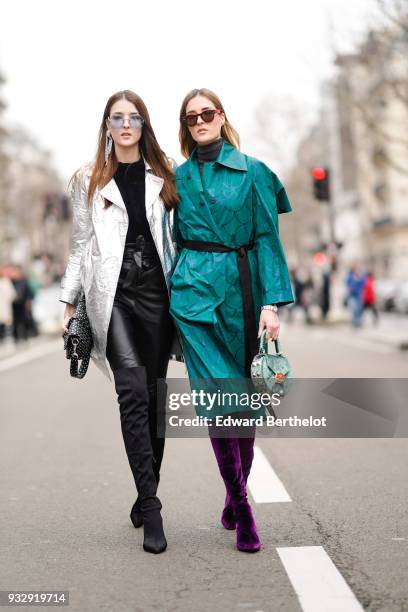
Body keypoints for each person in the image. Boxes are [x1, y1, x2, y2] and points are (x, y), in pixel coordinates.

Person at [170, 88, 294, 553]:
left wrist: (270, 303)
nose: (199, 121)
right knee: (218, 398)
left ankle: (230, 490)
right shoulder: (174, 178)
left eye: (207, 113)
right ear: (185, 126)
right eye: (191, 117)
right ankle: (243, 508)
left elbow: (267, 236)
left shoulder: (254, 172)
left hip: (243, 291)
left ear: (221, 116)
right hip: (191, 296)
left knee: (243, 399)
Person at [59, 90, 182, 554]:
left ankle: (143, 489)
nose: (126, 125)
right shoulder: (87, 179)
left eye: (134, 118)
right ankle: (152, 509)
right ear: (107, 126)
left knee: (154, 400)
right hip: (111, 297)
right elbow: (79, 244)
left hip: (159, 295)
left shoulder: (167, 173)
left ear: (144, 125)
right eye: (117, 118)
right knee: (130, 391)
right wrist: (70, 305)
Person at [345, 264, 366, 328]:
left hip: (359, 295)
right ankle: (354, 322)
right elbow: (347, 284)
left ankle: (359, 321)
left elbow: (363, 283)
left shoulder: (360, 276)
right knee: (354, 309)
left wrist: (359, 277)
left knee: (359, 309)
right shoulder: (350, 276)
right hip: (352, 295)